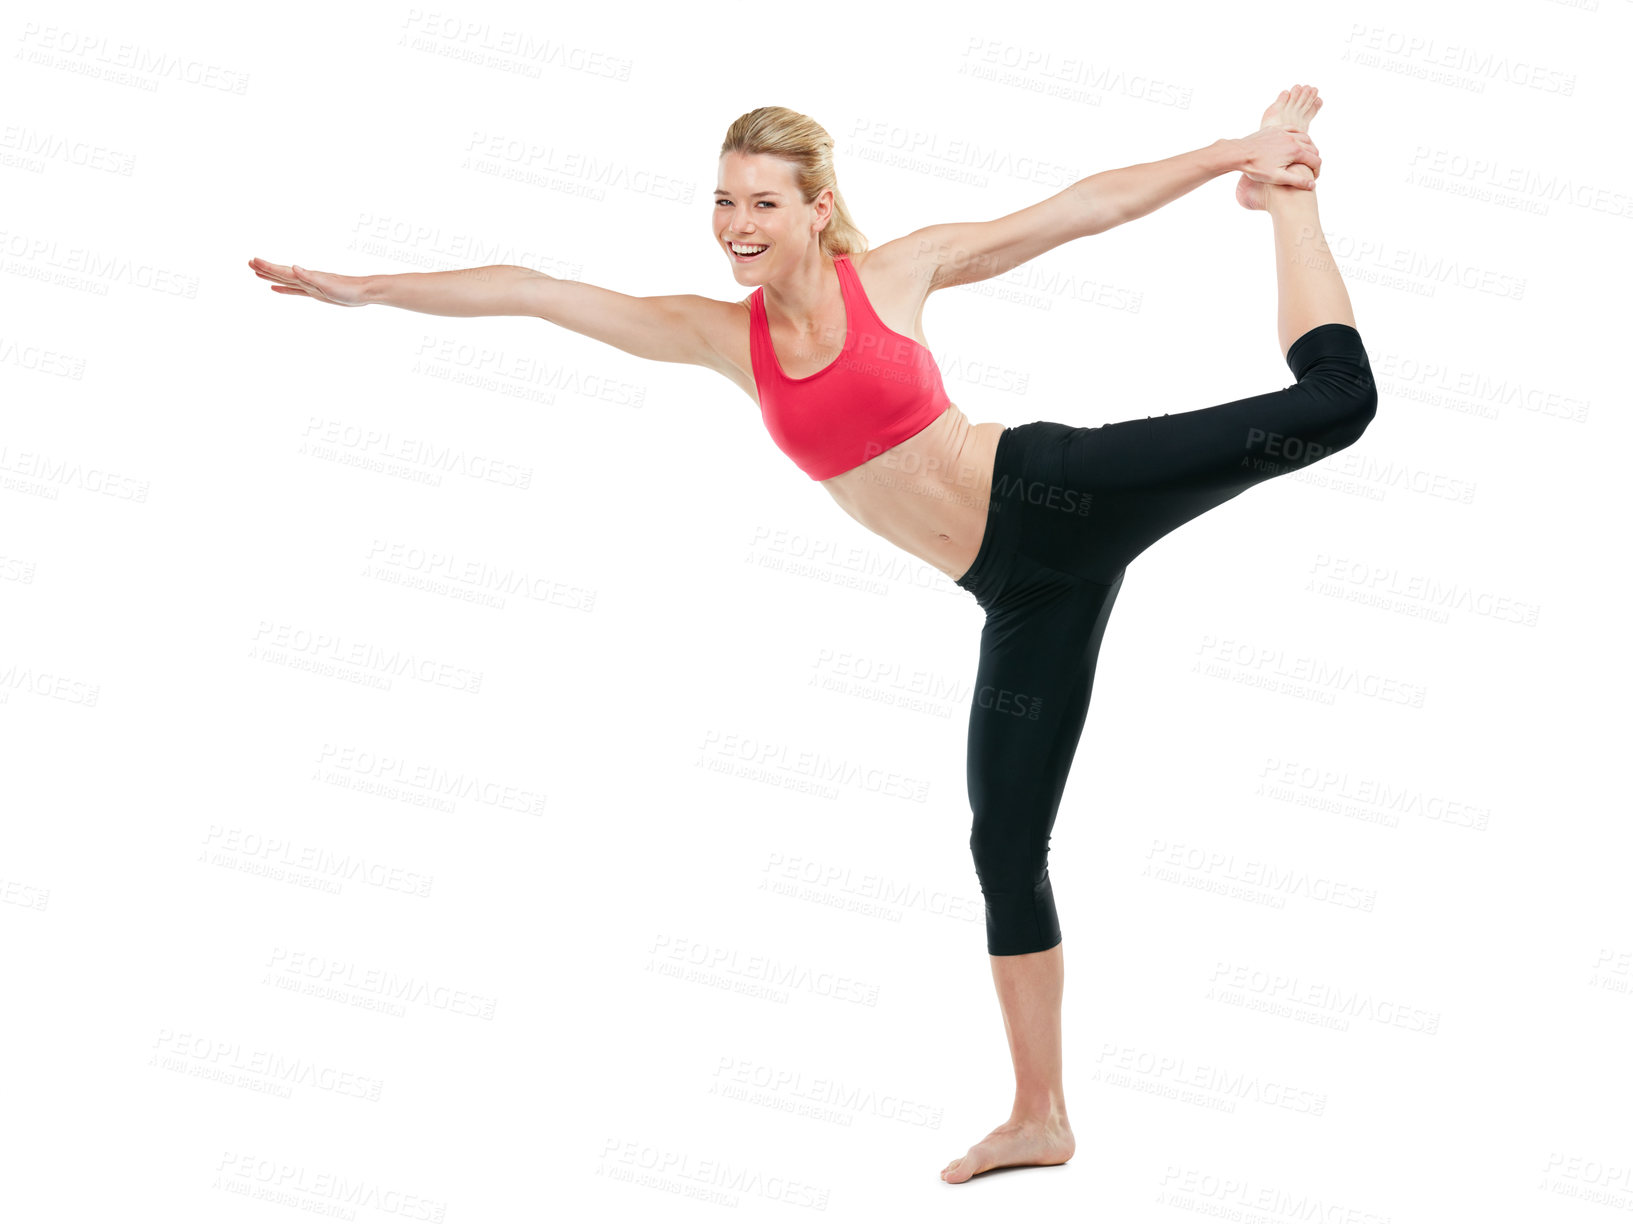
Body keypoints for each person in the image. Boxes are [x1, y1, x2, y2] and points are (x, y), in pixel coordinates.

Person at [247, 84, 1375, 1184]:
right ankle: (1041, 1117)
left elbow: (1080, 207)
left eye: (763, 203)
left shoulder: (892, 274)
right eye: (725, 202)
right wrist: (371, 291)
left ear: (817, 208)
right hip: (1022, 596)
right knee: (1001, 848)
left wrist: (1238, 152)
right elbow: (536, 290)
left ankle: (1289, 198)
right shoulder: (722, 339)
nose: (737, 226)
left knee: (1336, 403)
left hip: (1056, 489)